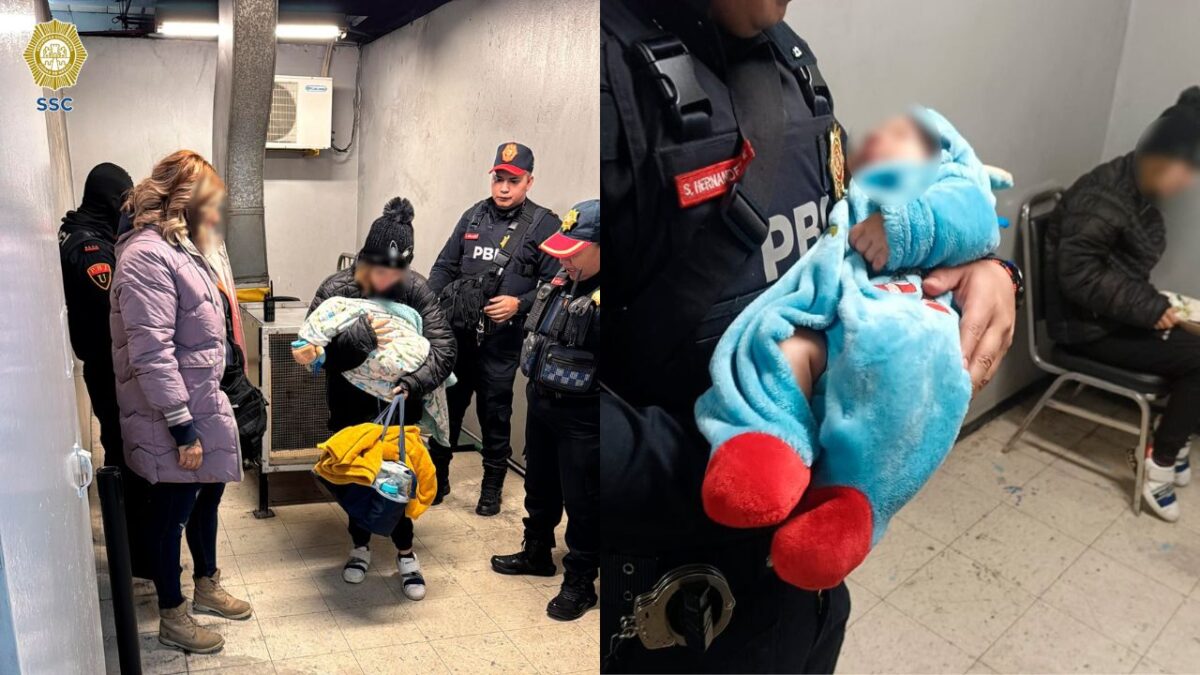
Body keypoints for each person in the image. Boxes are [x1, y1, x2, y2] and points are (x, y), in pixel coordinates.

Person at [600, 1, 1022, 671]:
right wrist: (746, 451)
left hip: (801, 589)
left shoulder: (784, 54)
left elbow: (859, 218)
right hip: (672, 600)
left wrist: (987, 268)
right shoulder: (604, 68)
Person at [696, 109, 1009, 590]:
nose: (881, 136)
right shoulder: (853, 189)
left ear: (942, 153)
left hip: (907, 321)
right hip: (836, 306)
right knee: (780, 344)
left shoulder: (946, 180)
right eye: (878, 132)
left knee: (894, 416)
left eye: (902, 134)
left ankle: (850, 506)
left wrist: (902, 227)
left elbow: (973, 219)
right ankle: (769, 442)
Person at [111, 150, 251, 654]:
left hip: (203, 399)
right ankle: (173, 615)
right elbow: (151, 350)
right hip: (172, 412)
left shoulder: (183, 247)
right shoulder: (147, 254)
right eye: (207, 196)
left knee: (208, 494)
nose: (214, 208)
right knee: (171, 512)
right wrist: (181, 427)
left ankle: (207, 586)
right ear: (179, 196)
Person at [1045, 86, 1200, 522]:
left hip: (1109, 318)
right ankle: (1160, 463)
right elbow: (1078, 276)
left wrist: (1153, 305)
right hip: (1085, 330)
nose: (1188, 182)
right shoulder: (1102, 198)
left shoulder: (1132, 186)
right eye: (1186, 171)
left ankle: (1176, 435)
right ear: (1159, 159)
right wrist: (1150, 307)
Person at [310, 197, 455, 600]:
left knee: (397, 476)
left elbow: (444, 350)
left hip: (399, 403)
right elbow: (316, 352)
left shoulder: (417, 290)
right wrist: (360, 339)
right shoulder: (336, 289)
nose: (384, 281)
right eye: (375, 271)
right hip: (349, 404)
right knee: (358, 474)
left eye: (394, 274)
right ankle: (359, 546)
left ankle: (406, 552)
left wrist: (413, 381)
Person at [427, 142, 561, 516]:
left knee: (495, 414)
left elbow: (557, 284)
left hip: (501, 343)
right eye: (499, 179)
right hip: (458, 336)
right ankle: (438, 478)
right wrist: (429, 308)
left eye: (513, 181)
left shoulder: (543, 224)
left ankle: (491, 489)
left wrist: (520, 304)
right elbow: (443, 267)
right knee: (447, 411)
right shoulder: (473, 217)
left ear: (529, 182)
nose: (503, 188)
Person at [491, 199, 602, 621]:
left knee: (584, 500)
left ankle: (580, 582)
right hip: (542, 403)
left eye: (573, 251)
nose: (564, 259)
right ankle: (537, 552)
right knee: (539, 487)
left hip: (585, 417)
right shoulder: (565, 278)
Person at [58, 162, 156, 578]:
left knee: (121, 444)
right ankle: (135, 552)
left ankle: (132, 543)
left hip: (106, 365)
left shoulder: (83, 229)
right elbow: (114, 309)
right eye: (123, 201)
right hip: (107, 366)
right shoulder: (90, 247)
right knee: (123, 449)